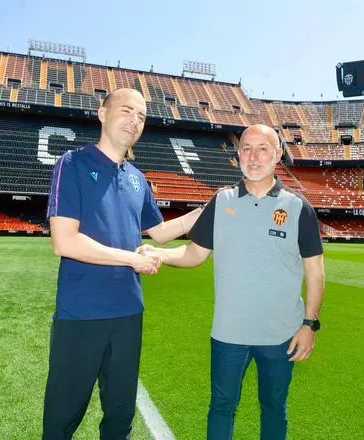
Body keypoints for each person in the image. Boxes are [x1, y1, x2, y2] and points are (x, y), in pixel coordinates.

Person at [139, 124, 325, 440]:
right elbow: (195, 253)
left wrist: (309, 324)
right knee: (222, 407)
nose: (253, 157)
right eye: (247, 148)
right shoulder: (221, 201)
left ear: (277, 154)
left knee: (274, 408)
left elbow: (316, 272)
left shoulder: (297, 207)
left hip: (281, 334)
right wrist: (159, 254)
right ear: (237, 154)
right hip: (229, 333)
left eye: (262, 148)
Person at [43, 88, 203, 440]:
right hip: (81, 314)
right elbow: (65, 241)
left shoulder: (137, 178)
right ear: (103, 114)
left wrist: (206, 211)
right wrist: (132, 258)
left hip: (129, 313)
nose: (135, 120)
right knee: (62, 418)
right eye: (127, 110)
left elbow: (160, 232)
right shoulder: (72, 164)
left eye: (142, 116)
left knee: (119, 418)